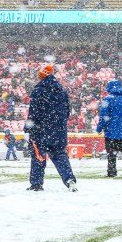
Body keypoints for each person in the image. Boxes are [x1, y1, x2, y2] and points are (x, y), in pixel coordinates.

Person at [24, 64, 77, 192]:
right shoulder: (62, 91)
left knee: (38, 157)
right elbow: (67, 112)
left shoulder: (38, 91)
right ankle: (69, 179)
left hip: (41, 131)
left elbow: (33, 113)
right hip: (58, 131)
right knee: (60, 156)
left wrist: (28, 127)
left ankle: (36, 183)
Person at [96, 80, 122, 177]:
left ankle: (112, 171)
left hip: (111, 131)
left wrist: (100, 128)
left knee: (111, 153)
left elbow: (104, 116)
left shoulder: (107, 99)